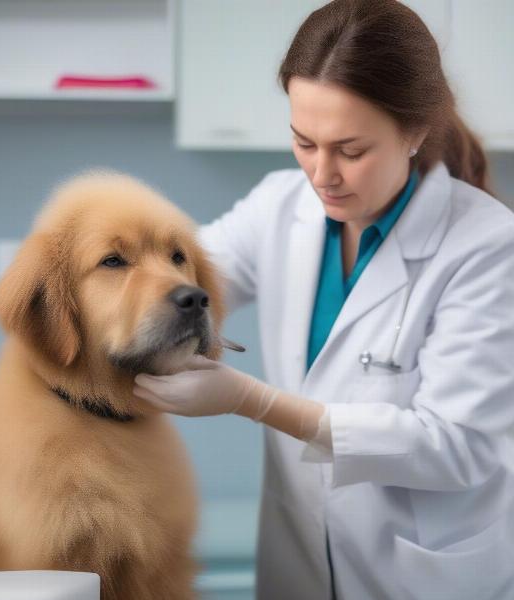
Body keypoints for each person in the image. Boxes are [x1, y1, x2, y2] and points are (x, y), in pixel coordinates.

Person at [133, 1, 514, 598]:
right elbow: (186, 284)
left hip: (421, 576)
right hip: (300, 563)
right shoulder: (278, 207)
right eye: (303, 141)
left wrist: (253, 400)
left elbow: (455, 447)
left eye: (351, 150)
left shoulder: (487, 246)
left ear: (414, 132)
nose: (321, 174)